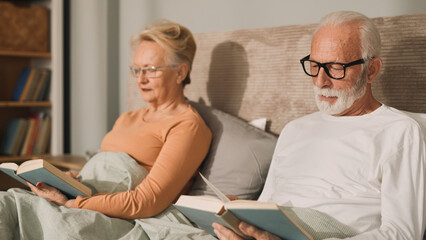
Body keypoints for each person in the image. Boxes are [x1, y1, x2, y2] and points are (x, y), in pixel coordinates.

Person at [213, 11, 426, 239]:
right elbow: (267, 205)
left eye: (335, 68)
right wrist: (244, 217)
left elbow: (403, 233)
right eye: (314, 65)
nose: (320, 81)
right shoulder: (294, 129)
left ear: (371, 70)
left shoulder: (400, 131)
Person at [28, 20, 212, 219]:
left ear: (180, 72)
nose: (140, 79)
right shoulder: (127, 118)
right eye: (137, 70)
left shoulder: (187, 126)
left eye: (150, 69)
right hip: (85, 199)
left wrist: (72, 204)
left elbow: (147, 201)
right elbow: (102, 172)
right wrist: (67, 180)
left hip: (110, 215)